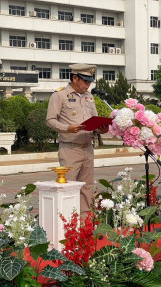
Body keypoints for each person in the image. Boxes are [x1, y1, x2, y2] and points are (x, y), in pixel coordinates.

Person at [46, 63, 109, 216]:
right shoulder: (59, 95)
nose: (88, 85)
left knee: (87, 188)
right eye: (86, 82)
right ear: (75, 78)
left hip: (88, 148)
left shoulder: (89, 97)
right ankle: (67, 224)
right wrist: (67, 128)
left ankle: (84, 225)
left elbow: (94, 120)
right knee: (68, 187)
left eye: (90, 82)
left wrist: (102, 128)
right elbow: (50, 120)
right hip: (70, 148)